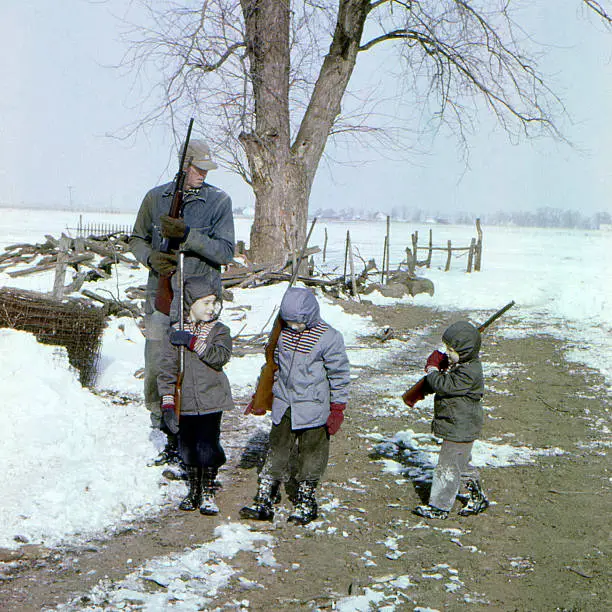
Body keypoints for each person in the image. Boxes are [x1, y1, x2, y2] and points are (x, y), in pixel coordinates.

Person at [129, 138, 235, 465]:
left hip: (199, 300)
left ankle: (194, 441)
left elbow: (225, 252)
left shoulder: (218, 201)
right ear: (183, 166)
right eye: (197, 168)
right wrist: (151, 259)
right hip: (162, 295)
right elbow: (136, 239)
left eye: (206, 169)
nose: (203, 174)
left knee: (197, 368)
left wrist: (189, 234)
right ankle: (165, 431)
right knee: (159, 363)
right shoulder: (155, 198)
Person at [240, 287, 351, 526]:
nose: (294, 327)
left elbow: (339, 375)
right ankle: (266, 497)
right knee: (277, 449)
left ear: (310, 315)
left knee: (312, 454)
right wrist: (261, 395)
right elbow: (273, 366)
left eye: (299, 322)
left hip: (314, 408)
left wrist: (338, 408)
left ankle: (306, 499)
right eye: (289, 321)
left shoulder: (329, 337)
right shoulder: (283, 333)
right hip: (284, 404)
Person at [157, 273, 234, 515]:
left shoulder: (219, 331)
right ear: (190, 305)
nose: (212, 308)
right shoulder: (174, 334)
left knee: (208, 445)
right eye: (206, 303)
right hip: (186, 402)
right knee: (188, 446)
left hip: (211, 400)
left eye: (214, 302)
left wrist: (192, 342)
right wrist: (168, 405)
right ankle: (194, 490)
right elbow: (167, 372)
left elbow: (220, 357)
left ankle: (208, 490)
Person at [413, 320, 490, 520]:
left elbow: (445, 385)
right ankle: (476, 496)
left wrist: (432, 370)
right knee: (460, 463)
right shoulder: (464, 363)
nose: (447, 353)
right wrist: (446, 363)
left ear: (464, 351)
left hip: (460, 425)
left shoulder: (468, 371)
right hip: (460, 424)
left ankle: (439, 506)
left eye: (451, 350)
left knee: (447, 467)